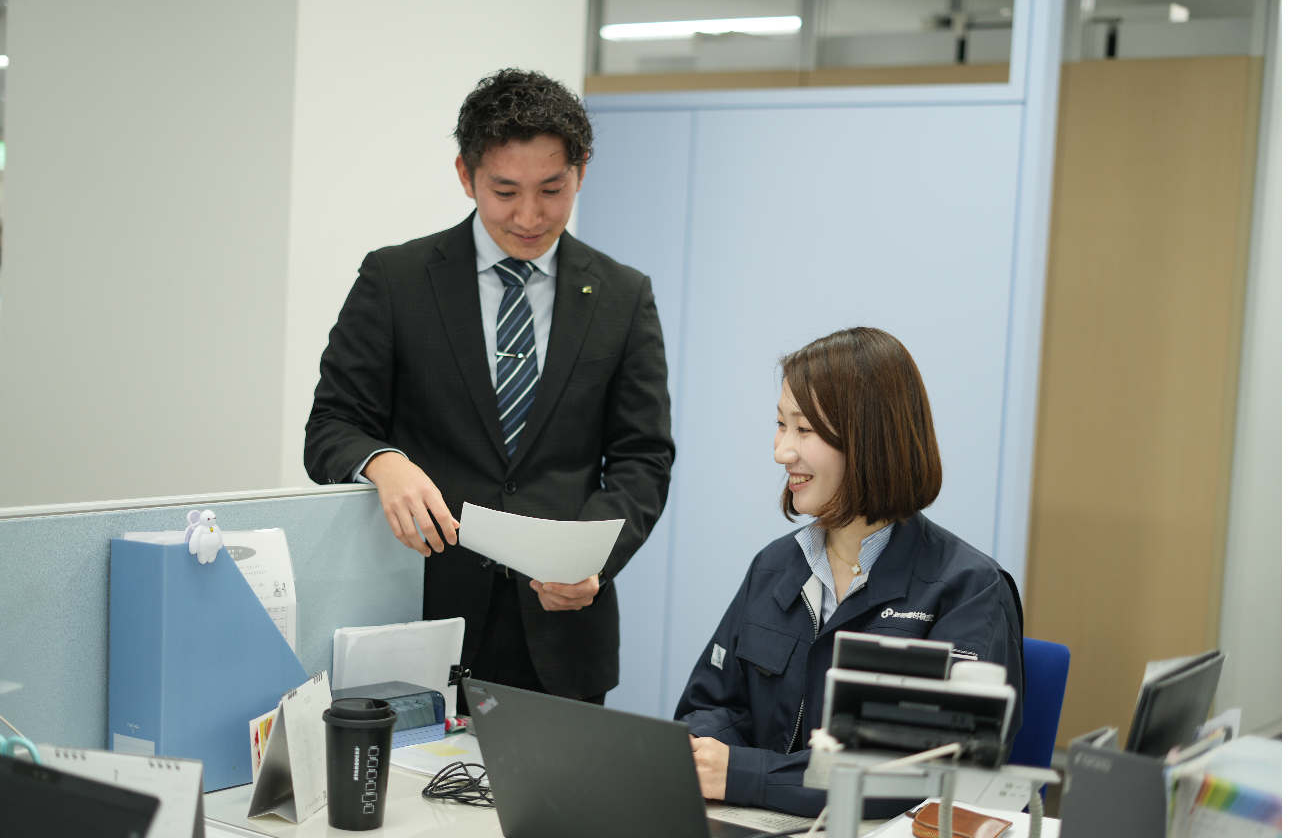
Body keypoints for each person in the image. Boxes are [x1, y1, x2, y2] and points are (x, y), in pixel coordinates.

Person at [304, 69, 674, 710]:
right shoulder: (396, 280)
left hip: (562, 632)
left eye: (552, 190)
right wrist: (383, 461)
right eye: (505, 192)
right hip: (419, 614)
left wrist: (590, 558)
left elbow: (643, 457)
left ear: (580, 174)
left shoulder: (623, 294)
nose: (529, 216)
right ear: (465, 175)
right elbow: (331, 426)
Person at [675, 327, 1024, 817]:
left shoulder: (969, 590)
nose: (781, 451)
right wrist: (706, 755)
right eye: (780, 424)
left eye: (804, 430)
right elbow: (709, 706)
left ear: (870, 441)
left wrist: (746, 773)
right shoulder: (773, 566)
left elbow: (934, 774)